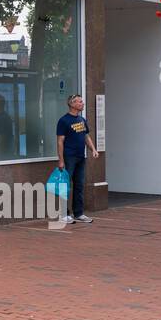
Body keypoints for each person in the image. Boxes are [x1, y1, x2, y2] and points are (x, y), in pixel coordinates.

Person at [55, 93, 98, 225]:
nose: (82, 104)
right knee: (66, 186)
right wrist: (61, 160)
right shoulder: (64, 121)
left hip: (80, 157)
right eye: (79, 102)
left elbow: (86, 136)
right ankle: (63, 215)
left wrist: (93, 149)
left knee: (79, 185)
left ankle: (78, 213)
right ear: (72, 104)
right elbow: (60, 141)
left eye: (82, 101)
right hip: (69, 157)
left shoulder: (81, 120)